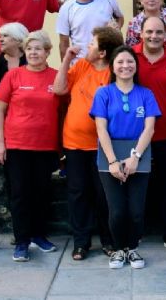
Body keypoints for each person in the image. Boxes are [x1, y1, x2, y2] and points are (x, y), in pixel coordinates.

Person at [52, 26, 123, 261]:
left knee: (104, 196)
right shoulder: (81, 66)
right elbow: (60, 89)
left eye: (92, 44)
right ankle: (81, 243)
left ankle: (109, 241)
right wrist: (66, 60)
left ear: (102, 52)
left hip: (104, 147)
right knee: (78, 194)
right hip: (74, 144)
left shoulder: (114, 72)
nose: (88, 47)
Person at [0, 30, 62, 262]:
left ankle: (39, 235)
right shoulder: (13, 76)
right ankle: (22, 241)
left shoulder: (56, 77)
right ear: (25, 51)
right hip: (17, 146)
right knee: (20, 195)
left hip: (45, 146)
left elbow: (63, 110)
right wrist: (0, 144)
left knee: (41, 194)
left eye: (39, 49)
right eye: (30, 49)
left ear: (47, 52)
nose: (34, 53)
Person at [91, 46, 160, 270]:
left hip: (139, 154)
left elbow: (149, 128)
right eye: (120, 62)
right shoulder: (103, 93)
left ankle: (132, 248)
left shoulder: (146, 94)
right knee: (117, 210)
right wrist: (112, 161)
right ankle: (118, 249)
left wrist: (135, 157)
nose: (125, 66)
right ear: (113, 66)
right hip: (109, 154)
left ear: (136, 66)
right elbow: (101, 129)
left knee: (136, 211)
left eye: (130, 62)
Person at [133, 16, 166, 253]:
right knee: (135, 187)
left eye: (158, 32)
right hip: (134, 135)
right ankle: (134, 234)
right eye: (149, 32)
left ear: (165, 34)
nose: (153, 36)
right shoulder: (129, 56)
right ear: (141, 33)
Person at [56, 0, 124, 61]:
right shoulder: (67, 7)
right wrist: (65, 69)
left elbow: (120, 17)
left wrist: (116, 29)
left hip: (106, 62)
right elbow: (63, 44)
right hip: (80, 66)